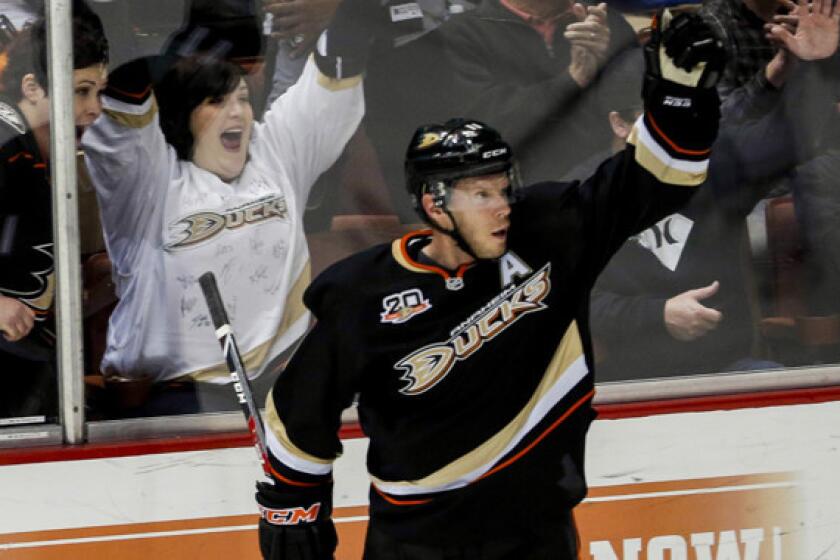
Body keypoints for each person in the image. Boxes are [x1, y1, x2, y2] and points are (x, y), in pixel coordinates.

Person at [254, 9, 725, 559]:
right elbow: (298, 412)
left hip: (538, 535)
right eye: (481, 195)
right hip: (418, 545)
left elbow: (658, 180)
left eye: (504, 188)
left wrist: (681, 98)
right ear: (434, 205)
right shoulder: (363, 292)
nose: (502, 207)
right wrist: (292, 508)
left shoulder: (550, 232)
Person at [81, 0, 369, 415]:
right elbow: (124, 92)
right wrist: (184, 58)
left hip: (281, 380)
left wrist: (347, 13)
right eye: (215, 102)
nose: (236, 112)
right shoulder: (148, 180)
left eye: (241, 99)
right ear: (185, 113)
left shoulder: (277, 152)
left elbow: (337, 65)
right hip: (175, 394)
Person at [0, 3, 108, 419]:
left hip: (28, 368)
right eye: (81, 91)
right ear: (32, 87)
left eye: (99, 91)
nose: (95, 107)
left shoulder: (46, 157)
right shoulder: (4, 147)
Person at [436, 0, 639, 186]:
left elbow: (636, 104)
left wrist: (611, 62)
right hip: (526, 196)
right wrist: (572, 79)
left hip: (617, 180)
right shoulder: (462, 33)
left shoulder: (603, 20)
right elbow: (485, 123)